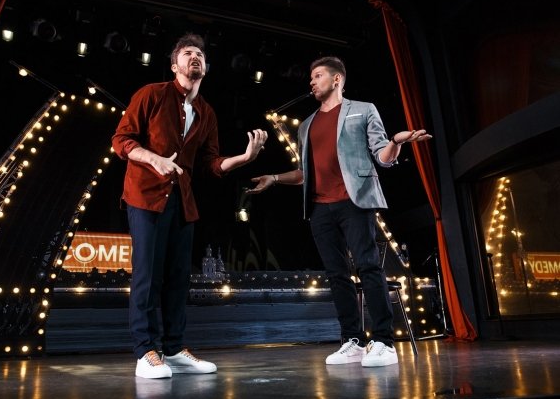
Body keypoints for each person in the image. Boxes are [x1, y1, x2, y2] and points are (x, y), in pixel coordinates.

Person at [247, 56, 431, 367]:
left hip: (354, 201)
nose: (312, 81)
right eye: (311, 77)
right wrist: (275, 178)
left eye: (318, 75)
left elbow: (383, 157)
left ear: (337, 80)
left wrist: (396, 142)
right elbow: (305, 173)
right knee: (336, 275)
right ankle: (352, 341)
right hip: (320, 208)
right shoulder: (306, 125)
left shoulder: (364, 109)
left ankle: (384, 342)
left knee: (368, 267)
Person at [112, 33, 268, 379]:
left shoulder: (206, 112)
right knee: (148, 275)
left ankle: (172, 348)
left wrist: (244, 158)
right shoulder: (151, 94)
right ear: (174, 65)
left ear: (206, 67)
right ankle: (145, 351)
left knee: (179, 278)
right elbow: (121, 140)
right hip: (146, 196)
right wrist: (154, 158)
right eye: (187, 53)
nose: (194, 56)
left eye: (199, 53)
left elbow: (211, 164)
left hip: (182, 202)